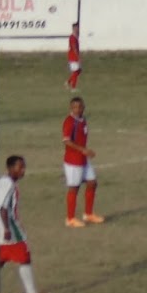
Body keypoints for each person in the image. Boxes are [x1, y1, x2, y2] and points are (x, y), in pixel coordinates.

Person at [0, 156, 51, 293]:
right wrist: (7, 228)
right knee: (23, 257)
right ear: (10, 168)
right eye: (20, 167)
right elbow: (2, 208)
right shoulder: (8, 184)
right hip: (8, 228)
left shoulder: (4, 181)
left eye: (24, 167)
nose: (23, 170)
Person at [62, 96, 105, 227]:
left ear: (84, 107)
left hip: (83, 159)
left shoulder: (83, 119)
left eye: (80, 107)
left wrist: (84, 152)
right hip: (73, 161)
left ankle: (88, 214)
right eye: (75, 107)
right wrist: (83, 150)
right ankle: (70, 219)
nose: (78, 109)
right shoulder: (69, 122)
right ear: (71, 108)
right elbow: (66, 141)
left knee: (92, 183)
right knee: (74, 188)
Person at [65, 22, 82, 90]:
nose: (77, 29)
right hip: (73, 57)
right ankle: (73, 87)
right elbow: (74, 48)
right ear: (74, 28)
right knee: (76, 71)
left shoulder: (75, 37)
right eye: (76, 28)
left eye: (78, 28)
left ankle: (68, 82)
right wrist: (78, 57)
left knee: (78, 71)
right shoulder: (72, 38)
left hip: (74, 56)